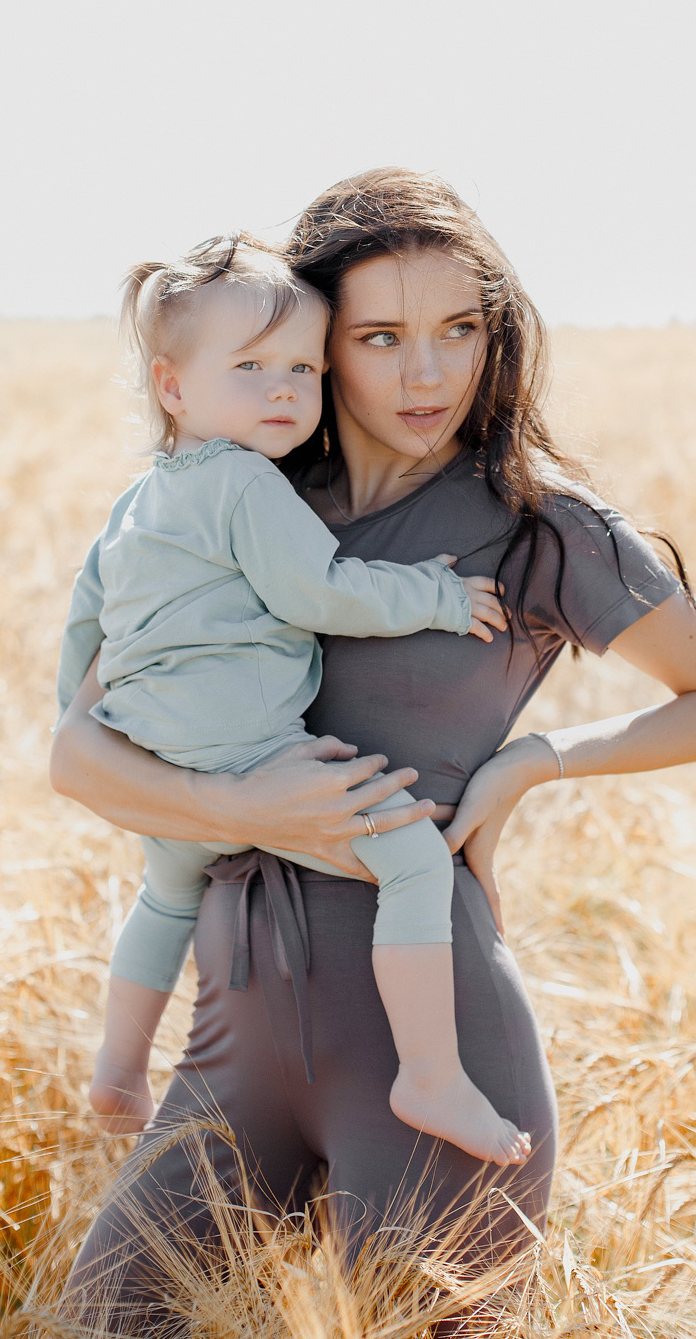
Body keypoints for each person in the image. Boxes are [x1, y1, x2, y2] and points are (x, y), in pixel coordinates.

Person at [51, 168, 696, 1327]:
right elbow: (75, 755)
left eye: (460, 331)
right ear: (314, 341)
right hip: (229, 1037)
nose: (428, 373)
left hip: (432, 1053)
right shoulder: (233, 498)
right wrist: (256, 813)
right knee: (105, 1314)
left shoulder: (541, 528)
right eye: (381, 336)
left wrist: (532, 761)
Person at [67, 233, 528, 1166]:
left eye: (303, 368)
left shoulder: (136, 501)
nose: (284, 389)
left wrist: (104, 725)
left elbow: (86, 633)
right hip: (242, 744)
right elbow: (316, 590)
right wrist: (435, 596)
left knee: (166, 894)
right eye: (250, 368)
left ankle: (118, 1065)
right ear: (172, 388)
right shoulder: (244, 481)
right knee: (410, 863)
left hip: (154, 747)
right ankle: (430, 1075)